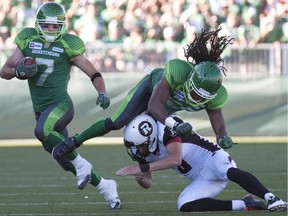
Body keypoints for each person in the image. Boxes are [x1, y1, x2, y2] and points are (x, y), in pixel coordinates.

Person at [0, 2, 120, 209]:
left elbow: (93, 72)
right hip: (42, 110)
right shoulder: (28, 38)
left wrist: (102, 92)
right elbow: (5, 70)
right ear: (38, 24)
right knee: (65, 160)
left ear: (63, 26)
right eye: (47, 25)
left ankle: (83, 165)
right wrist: (18, 72)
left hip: (61, 105)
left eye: (56, 26)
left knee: (42, 130)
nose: (51, 30)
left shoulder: (68, 44)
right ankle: (106, 186)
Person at [52, 28, 235, 159]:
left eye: (202, 97)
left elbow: (216, 116)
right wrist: (173, 124)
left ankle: (144, 171)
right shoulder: (178, 70)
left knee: (152, 140)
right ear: (190, 79)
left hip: (167, 107)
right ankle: (74, 141)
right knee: (117, 122)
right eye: (195, 92)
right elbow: (154, 106)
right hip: (151, 91)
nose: (196, 98)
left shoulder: (218, 96)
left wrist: (222, 136)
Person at [116, 113, 288, 212]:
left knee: (227, 171)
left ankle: (272, 198)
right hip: (201, 179)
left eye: (140, 146)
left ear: (151, 136)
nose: (138, 151)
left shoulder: (166, 129)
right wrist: (140, 177)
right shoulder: (142, 151)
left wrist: (141, 167)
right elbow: (148, 182)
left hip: (212, 158)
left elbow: (175, 158)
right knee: (184, 205)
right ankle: (245, 204)